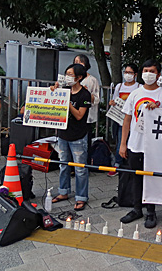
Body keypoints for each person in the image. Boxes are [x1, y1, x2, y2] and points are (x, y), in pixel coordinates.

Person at [119, 59, 162, 228]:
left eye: (152, 71)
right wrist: (123, 143)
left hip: (154, 146)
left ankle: (151, 211)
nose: (148, 74)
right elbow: (127, 119)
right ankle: (136, 208)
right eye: (145, 71)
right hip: (135, 144)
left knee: (151, 179)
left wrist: (157, 110)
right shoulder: (135, 94)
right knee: (136, 176)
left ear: (158, 74)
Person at [50, 64, 92, 211]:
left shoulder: (85, 94)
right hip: (63, 134)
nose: (67, 77)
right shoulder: (64, 90)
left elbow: (80, 115)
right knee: (63, 164)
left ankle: (81, 197)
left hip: (78, 136)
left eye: (70, 74)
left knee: (80, 169)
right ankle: (63, 191)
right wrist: (54, 91)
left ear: (79, 77)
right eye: (66, 74)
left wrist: (67, 104)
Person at [108, 63, 140, 176]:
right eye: (126, 72)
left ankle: (123, 164)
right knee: (120, 140)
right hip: (119, 117)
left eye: (130, 72)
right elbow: (114, 100)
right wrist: (112, 103)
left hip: (132, 119)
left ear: (135, 74)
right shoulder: (119, 86)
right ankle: (119, 163)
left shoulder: (139, 87)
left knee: (129, 141)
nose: (127, 75)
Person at [74, 54, 100, 153]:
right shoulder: (72, 79)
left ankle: (86, 159)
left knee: (85, 142)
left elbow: (96, 99)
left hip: (87, 117)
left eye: (79, 62)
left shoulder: (92, 80)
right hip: (73, 115)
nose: (76, 64)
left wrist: (86, 93)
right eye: (75, 62)